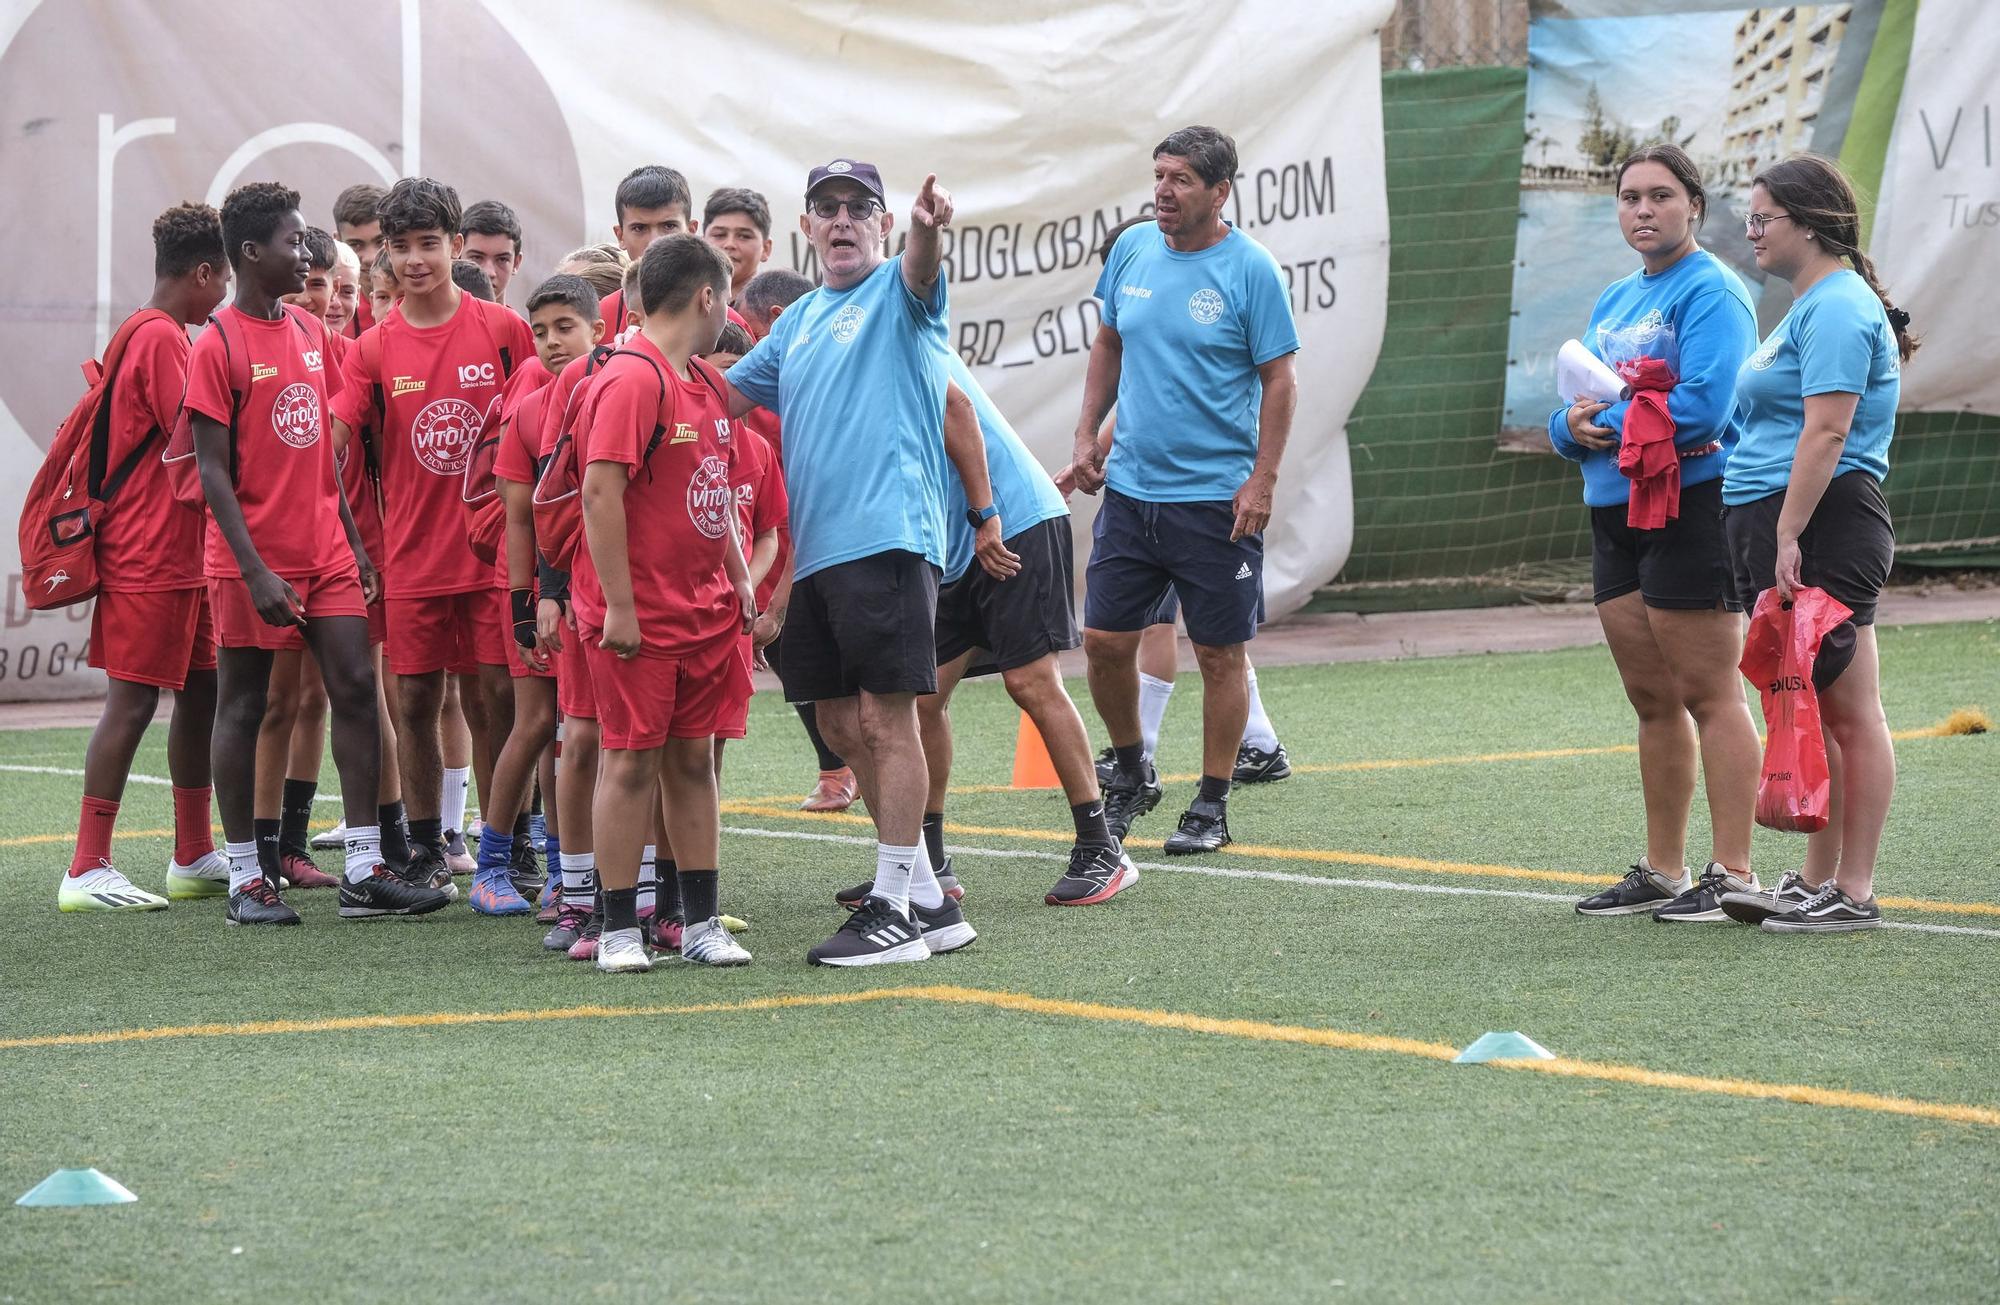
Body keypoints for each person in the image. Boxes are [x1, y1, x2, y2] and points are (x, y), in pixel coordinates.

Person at [724, 159, 994, 966]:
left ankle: (892, 909)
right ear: (806, 228)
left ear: (881, 224)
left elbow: (922, 264)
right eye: (827, 208)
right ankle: (924, 900)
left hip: (888, 538)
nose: (842, 221)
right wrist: (625, 363)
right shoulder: (799, 321)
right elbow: (716, 399)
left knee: (887, 717)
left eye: (859, 209)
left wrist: (929, 227)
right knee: (839, 722)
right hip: (817, 557)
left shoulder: (901, 295)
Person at [176, 181, 448, 925]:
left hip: (328, 552)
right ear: (251, 253)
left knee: (358, 689)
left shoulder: (304, 334)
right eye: (295, 243)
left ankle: (365, 867)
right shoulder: (218, 344)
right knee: (245, 704)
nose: (308, 254)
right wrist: (254, 567)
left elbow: (325, 455)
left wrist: (357, 544)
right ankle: (245, 878)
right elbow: (210, 473)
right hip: (251, 561)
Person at [1064, 125, 1300, 856]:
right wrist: (1085, 436)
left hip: (1214, 502)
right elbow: (1110, 341)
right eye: (1159, 175)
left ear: (1219, 190)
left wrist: (1262, 480)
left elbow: (1280, 380)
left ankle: (1213, 801)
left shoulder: (1251, 269)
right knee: (1103, 643)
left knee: (1221, 655)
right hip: (1131, 493)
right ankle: (1134, 766)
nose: (1163, 191)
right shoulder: (1133, 249)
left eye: (1181, 180)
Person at [1552, 145, 1767, 923]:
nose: (1642, 210)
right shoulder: (1614, 297)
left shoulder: (1715, 290)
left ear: (1695, 207)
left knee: (1711, 692)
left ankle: (1734, 871)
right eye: (1629, 197)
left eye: (1660, 196)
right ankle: (1665, 869)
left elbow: (1708, 408)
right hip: (1614, 511)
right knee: (1652, 699)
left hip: (1692, 507)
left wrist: (1599, 422)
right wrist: (1569, 425)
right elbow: (1571, 410)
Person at [844, 353, 1135, 909]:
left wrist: (984, 516)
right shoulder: (847, 345)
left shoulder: (897, 332)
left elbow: (959, 410)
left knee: (1030, 682)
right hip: (960, 546)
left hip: (1011, 521)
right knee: (922, 700)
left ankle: (1102, 848)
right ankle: (929, 862)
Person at [1717, 153, 1915, 935]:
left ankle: (1853, 891)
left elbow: (1829, 429)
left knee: (1847, 710)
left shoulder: (1837, 306)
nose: (1753, 232)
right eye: (1751, 218)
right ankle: (1815, 880)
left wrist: (1789, 530)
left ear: (1810, 222)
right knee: (1817, 705)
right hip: (1790, 521)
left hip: (1824, 520)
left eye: (1764, 218)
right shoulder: (1809, 304)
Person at [330, 177, 537, 898]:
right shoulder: (372, 348)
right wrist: (355, 546)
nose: (416, 260)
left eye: (429, 244)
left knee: (496, 703)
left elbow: (538, 431)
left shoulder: (504, 331)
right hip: (413, 560)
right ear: (384, 256)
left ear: (455, 245)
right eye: (401, 247)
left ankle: (504, 848)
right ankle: (423, 849)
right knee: (415, 702)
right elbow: (334, 446)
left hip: (495, 559)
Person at [573, 234, 757, 972]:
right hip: (642, 618)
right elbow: (598, 492)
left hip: (705, 612)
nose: (730, 312)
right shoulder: (632, 376)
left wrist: (739, 571)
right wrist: (619, 605)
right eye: (728, 298)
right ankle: (618, 927)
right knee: (628, 763)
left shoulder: (703, 381)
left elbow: (710, 486)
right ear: (708, 297)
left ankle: (701, 920)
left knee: (691, 765)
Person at [57, 203, 231, 913]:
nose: (226, 289)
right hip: (148, 552)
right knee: (131, 701)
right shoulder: (161, 339)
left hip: (180, 554)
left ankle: (192, 852)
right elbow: (197, 438)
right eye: (223, 275)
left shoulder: (158, 331)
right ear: (200, 272)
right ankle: (85, 865)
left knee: (201, 693)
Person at [467, 275, 605, 914]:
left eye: (565, 328)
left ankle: (564, 872)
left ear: (598, 331)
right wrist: (526, 603)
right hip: (532, 591)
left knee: (581, 732)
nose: (552, 343)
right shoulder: (526, 410)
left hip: (593, 594)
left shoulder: (615, 392)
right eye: (541, 331)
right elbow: (518, 520)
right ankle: (491, 867)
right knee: (536, 723)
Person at [737, 267, 855, 811]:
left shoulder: (788, 390)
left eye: (748, 329)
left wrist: (779, 591)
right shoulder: (762, 385)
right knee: (793, 656)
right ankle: (838, 767)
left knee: (803, 653)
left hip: (809, 541)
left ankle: (842, 768)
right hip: (774, 541)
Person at [602, 166, 697, 330]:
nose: (654, 242)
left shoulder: (719, 316)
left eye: (669, 226)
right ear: (620, 236)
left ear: (691, 231)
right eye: (639, 228)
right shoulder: (601, 317)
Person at [703, 187, 773, 308]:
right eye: (720, 235)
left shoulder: (778, 310)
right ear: (702, 243)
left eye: (744, 236)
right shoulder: (684, 305)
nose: (729, 244)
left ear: (766, 248)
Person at [332, 182, 386, 336]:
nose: (370, 258)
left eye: (380, 242)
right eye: (356, 245)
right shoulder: (325, 311)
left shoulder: (428, 304)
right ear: (337, 241)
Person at [460, 199, 523, 306]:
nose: (488, 272)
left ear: (516, 263)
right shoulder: (426, 320)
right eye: (476, 258)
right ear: (456, 254)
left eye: (502, 259)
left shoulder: (519, 323)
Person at [324, 240, 361, 337]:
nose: (336, 303)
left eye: (347, 292)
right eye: (327, 291)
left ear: (357, 296)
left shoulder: (360, 350)